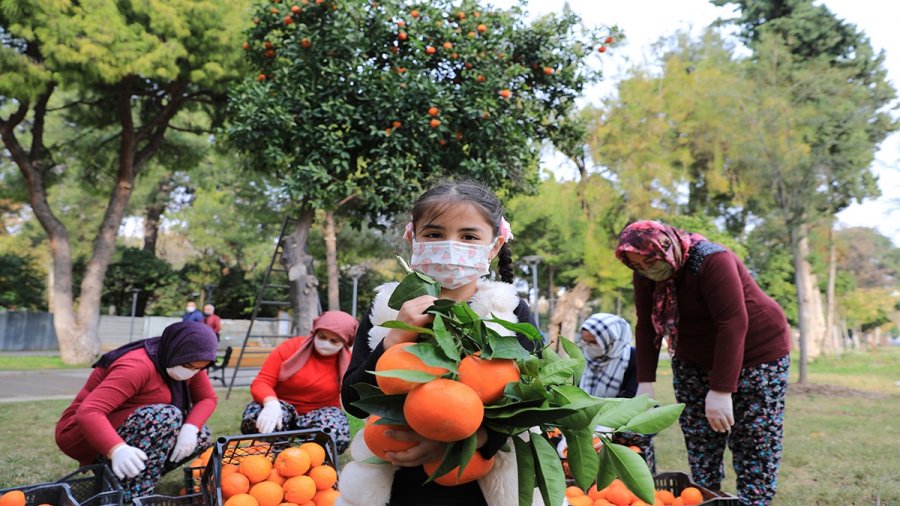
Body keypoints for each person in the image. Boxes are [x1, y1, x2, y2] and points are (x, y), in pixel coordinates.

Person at [339, 181, 540, 506]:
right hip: (400, 485)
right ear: (412, 238)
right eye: (434, 234)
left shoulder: (510, 313)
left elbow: (530, 406)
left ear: (495, 244)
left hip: (481, 485)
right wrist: (394, 337)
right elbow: (353, 399)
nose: (451, 245)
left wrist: (460, 440)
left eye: (469, 236)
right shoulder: (386, 310)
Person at [614, 220, 791, 506]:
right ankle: (705, 498)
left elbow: (732, 322)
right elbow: (646, 326)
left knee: (754, 440)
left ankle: (753, 501)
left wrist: (721, 390)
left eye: (649, 261)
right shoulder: (645, 274)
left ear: (667, 246)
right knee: (699, 437)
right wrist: (644, 384)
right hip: (692, 357)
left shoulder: (711, 261)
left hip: (757, 352)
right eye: (636, 264)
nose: (646, 269)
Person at [55, 322, 219, 500]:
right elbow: (89, 412)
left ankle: (126, 477)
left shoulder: (188, 362)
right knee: (166, 417)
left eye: (199, 368)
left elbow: (207, 398)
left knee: (200, 434)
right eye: (189, 366)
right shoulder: (136, 367)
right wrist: (116, 449)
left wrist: (191, 428)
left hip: (129, 425)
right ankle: (134, 491)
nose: (192, 373)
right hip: (83, 434)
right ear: (175, 350)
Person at [240, 310, 358, 453]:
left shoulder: (350, 362)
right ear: (315, 332)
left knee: (336, 432)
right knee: (256, 418)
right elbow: (262, 381)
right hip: (281, 407)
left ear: (345, 343)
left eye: (334, 341)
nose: (326, 343)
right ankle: (271, 458)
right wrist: (270, 403)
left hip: (319, 413)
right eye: (322, 337)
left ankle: (315, 462)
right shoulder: (290, 348)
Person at [575, 313, 655, 472]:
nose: (589, 346)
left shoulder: (633, 358)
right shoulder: (583, 357)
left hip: (623, 428)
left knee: (626, 476)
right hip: (588, 430)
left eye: (594, 342)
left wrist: (603, 426)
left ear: (611, 340)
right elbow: (575, 393)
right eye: (585, 341)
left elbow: (632, 400)